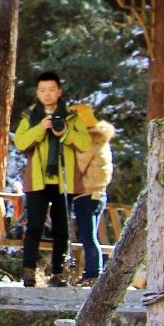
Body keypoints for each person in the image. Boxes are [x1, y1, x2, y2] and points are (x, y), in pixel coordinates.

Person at [13, 71, 91, 287]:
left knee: (61, 228)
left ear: (59, 92)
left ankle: (58, 272)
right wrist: (40, 128)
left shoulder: (72, 116)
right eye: (42, 90)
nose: (46, 94)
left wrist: (65, 132)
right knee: (34, 224)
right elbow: (20, 142)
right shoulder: (30, 116)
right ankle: (29, 270)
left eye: (51, 90)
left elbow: (85, 142)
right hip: (37, 179)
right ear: (38, 93)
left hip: (64, 179)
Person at [70, 101, 116, 285]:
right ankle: (93, 272)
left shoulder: (87, 143)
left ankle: (93, 273)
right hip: (99, 194)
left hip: (86, 194)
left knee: (88, 237)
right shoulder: (101, 141)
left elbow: (77, 168)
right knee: (91, 235)